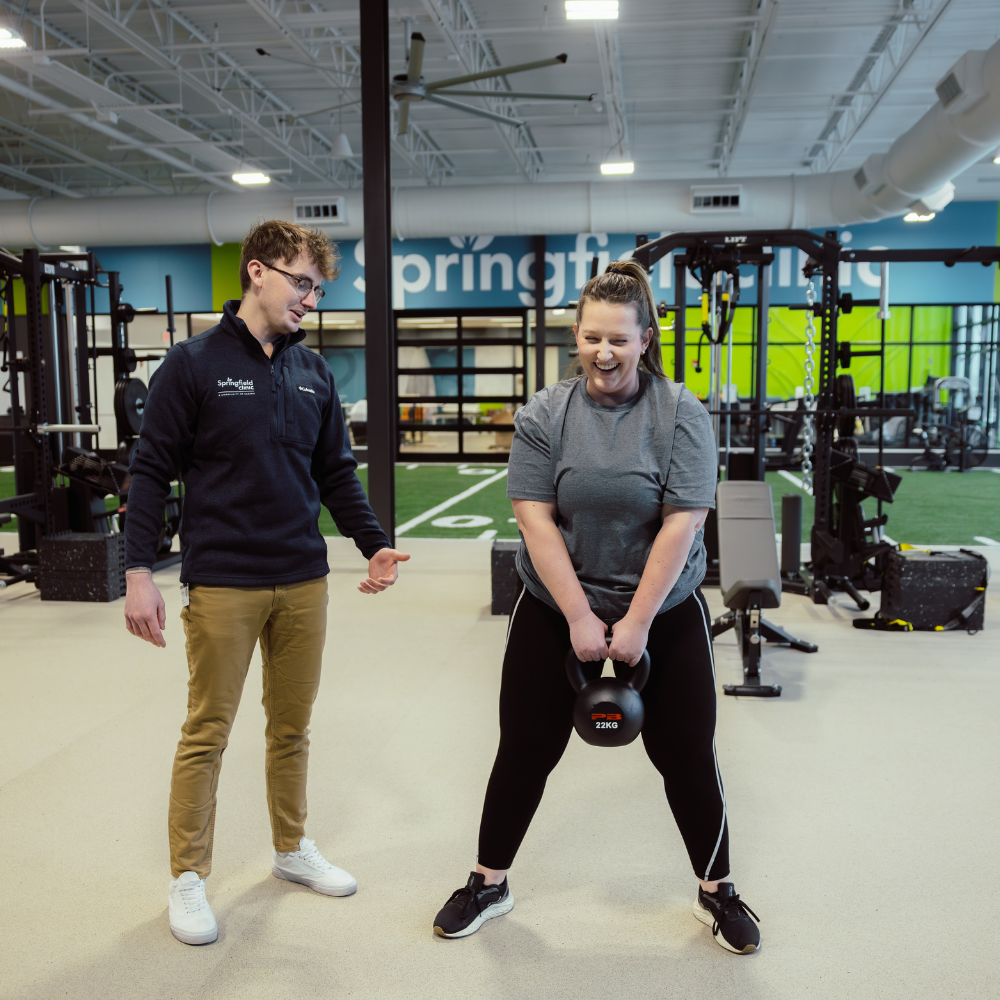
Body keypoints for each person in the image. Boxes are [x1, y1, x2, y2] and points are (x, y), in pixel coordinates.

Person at [431, 260, 761, 955]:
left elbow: (683, 523)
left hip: (663, 611)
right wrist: (581, 617)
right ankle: (489, 881)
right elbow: (534, 518)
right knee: (523, 749)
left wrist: (635, 623)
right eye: (590, 338)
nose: (603, 353)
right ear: (574, 337)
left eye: (618, 339)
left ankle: (717, 890)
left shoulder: (681, 414)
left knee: (688, 755)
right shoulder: (546, 413)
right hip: (556, 607)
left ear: (647, 337)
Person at [123, 219, 409, 947]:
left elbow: (335, 476)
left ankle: (290, 850)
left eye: (318, 287)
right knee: (207, 732)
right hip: (224, 580)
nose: (310, 298)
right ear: (257, 271)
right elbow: (150, 471)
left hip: (302, 579)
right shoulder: (189, 365)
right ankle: (187, 879)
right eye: (301, 281)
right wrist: (136, 574)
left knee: (291, 728)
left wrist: (373, 544)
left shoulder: (313, 374)